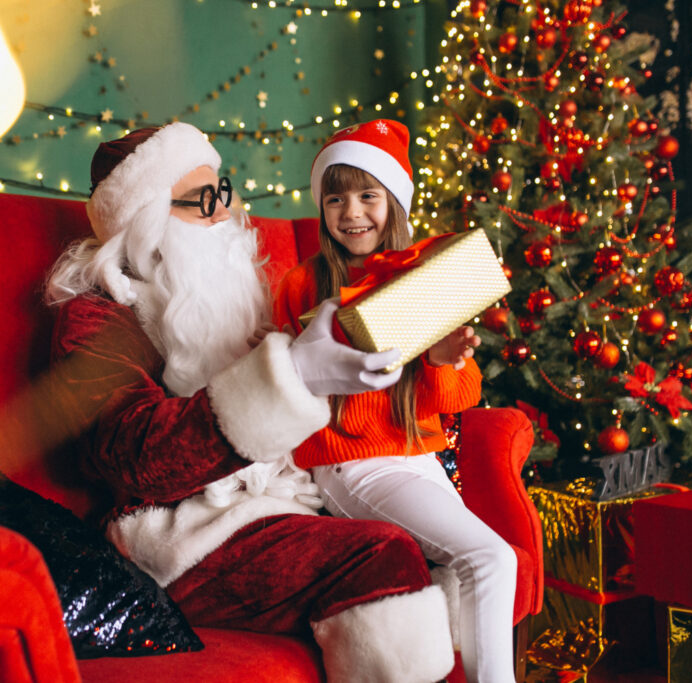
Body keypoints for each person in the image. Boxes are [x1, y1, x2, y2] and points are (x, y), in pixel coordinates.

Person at [43, 122, 456, 682]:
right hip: (180, 530)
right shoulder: (97, 316)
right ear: (145, 224)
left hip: (282, 496)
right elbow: (137, 454)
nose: (223, 216)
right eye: (200, 202)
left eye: (223, 192)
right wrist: (289, 374)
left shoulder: (245, 294)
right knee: (381, 556)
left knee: (445, 538)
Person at [273, 119, 518, 683]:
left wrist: (439, 362)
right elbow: (292, 390)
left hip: (418, 456)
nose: (351, 212)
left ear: (394, 204)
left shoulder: (421, 276)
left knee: (468, 574)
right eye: (335, 198)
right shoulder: (301, 286)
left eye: (367, 196)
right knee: (491, 558)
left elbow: (462, 395)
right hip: (352, 461)